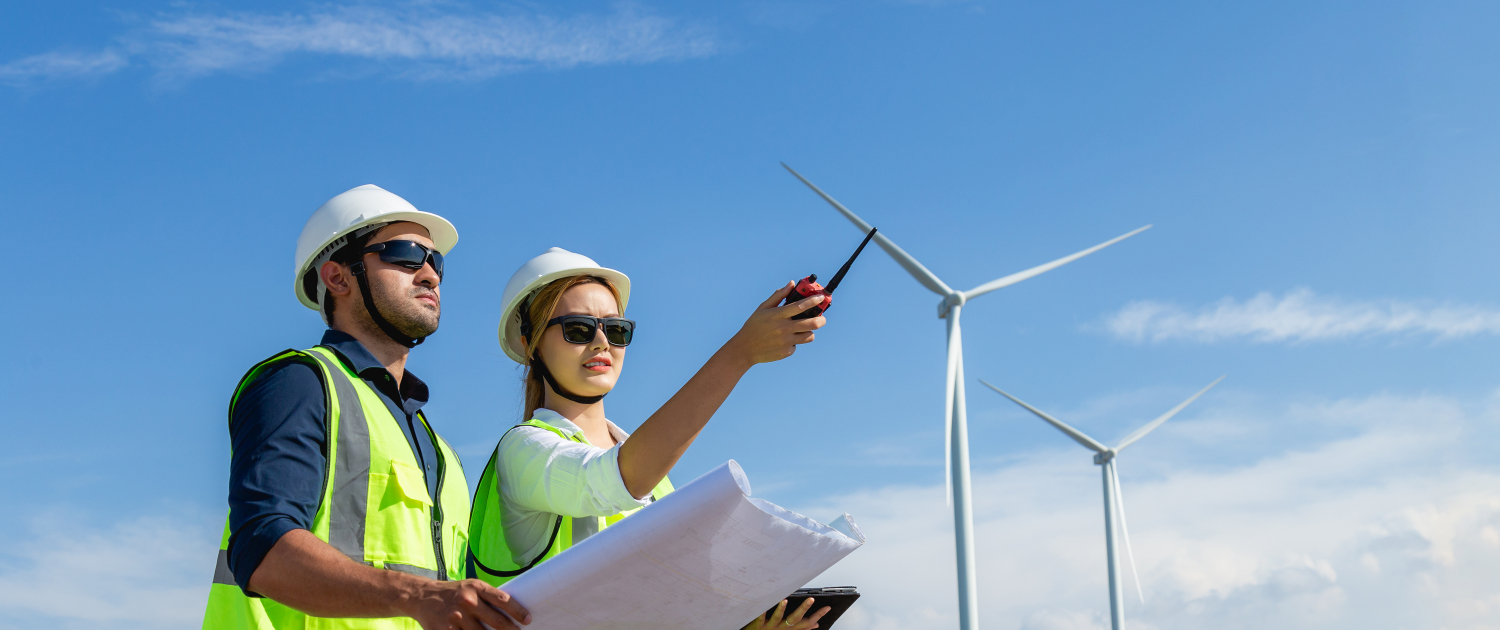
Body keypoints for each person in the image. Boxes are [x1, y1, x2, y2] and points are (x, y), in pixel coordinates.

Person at [201, 185, 531, 630]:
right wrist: (419, 596)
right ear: (337, 277)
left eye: (436, 262)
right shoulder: (299, 382)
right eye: (406, 255)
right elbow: (263, 550)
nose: (430, 275)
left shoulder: (442, 452)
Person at [467, 248, 831, 630]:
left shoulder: (654, 477)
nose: (601, 343)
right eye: (578, 329)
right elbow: (615, 479)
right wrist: (739, 353)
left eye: (616, 329)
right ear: (530, 345)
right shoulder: (525, 449)